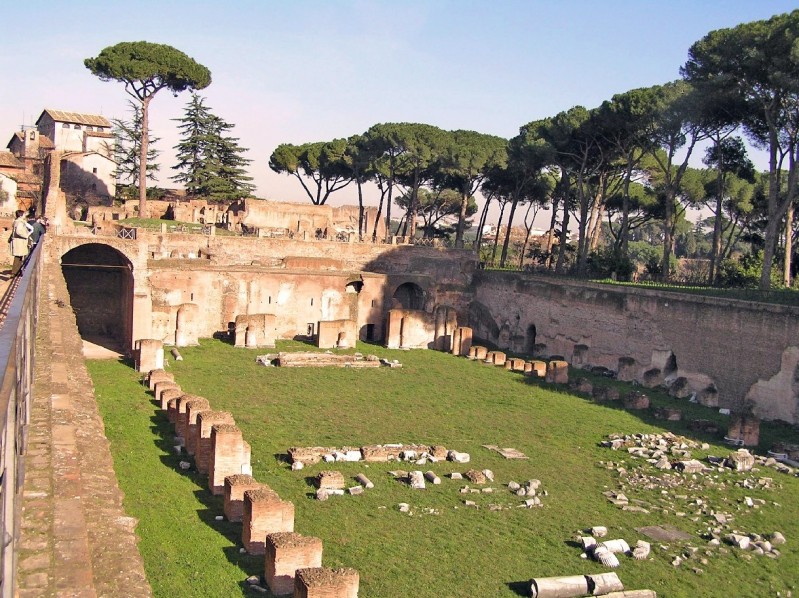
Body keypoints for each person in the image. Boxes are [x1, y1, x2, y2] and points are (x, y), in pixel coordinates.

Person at [9, 209, 32, 276]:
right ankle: (14, 272)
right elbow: (18, 231)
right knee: (18, 257)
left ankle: (17, 271)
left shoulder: (18, 221)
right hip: (19, 242)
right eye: (24, 214)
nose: (25, 215)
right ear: (21, 215)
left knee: (19, 257)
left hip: (18, 241)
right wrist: (26, 235)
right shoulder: (19, 222)